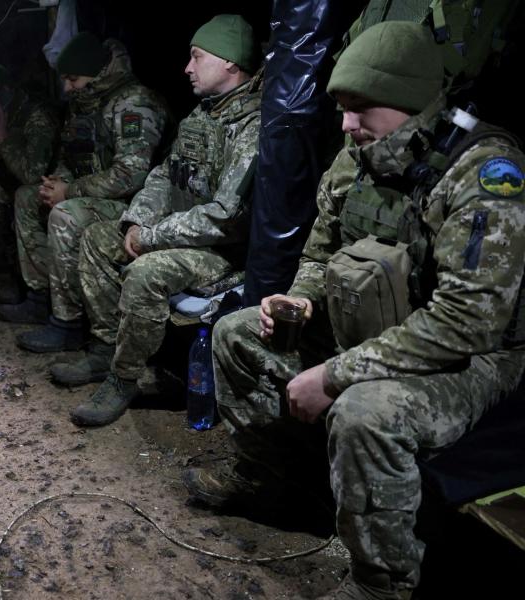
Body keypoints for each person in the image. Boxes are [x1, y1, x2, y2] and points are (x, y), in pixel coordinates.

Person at [184, 21, 525, 600]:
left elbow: (468, 322)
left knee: (365, 412)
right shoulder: (357, 156)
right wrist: (300, 297)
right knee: (238, 333)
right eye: (341, 108)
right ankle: (273, 482)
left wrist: (337, 374)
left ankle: (379, 582)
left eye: (360, 109)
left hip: (472, 356)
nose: (345, 125)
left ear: (412, 103)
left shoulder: (485, 173)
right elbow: (321, 250)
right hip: (376, 326)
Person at [51, 14, 262, 427]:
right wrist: (136, 220)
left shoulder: (254, 127)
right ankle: (104, 350)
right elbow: (164, 175)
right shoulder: (203, 116)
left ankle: (123, 378)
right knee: (97, 239)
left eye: (197, 57)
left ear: (231, 64)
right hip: (182, 234)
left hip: (223, 250)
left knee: (148, 270)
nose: (187, 68)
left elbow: (226, 216)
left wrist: (151, 236)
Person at [0, 32, 169, 336]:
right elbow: (70, 152)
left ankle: (68, 322)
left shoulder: (134, 103)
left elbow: (131, 174)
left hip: (134, 206)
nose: (67, 87)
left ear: (96, 73)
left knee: (66, 214)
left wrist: (70, 191)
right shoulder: (84, 101)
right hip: (91, 194)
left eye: (73, 79)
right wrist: (59, 181)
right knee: (27, 196)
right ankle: (40, 298)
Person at [0, 63, 60, 279]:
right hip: (15, 185)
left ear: (4, 94)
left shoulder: (36, 117)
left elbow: (32, 175)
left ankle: (33, 284)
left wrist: (3, 138)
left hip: (43, 190)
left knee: (23, 193)